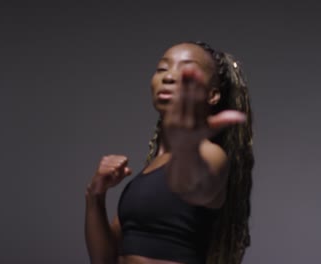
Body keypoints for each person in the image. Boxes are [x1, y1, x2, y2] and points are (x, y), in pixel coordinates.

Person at [85, 41, 254, 264]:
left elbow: (197, 186)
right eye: (162, 69)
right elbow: (103, 260)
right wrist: (95, 196)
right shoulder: (147, 173)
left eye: (186, 71)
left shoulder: (211, 155)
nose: (168, 77)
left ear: (212, 96)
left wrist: (187, 148)